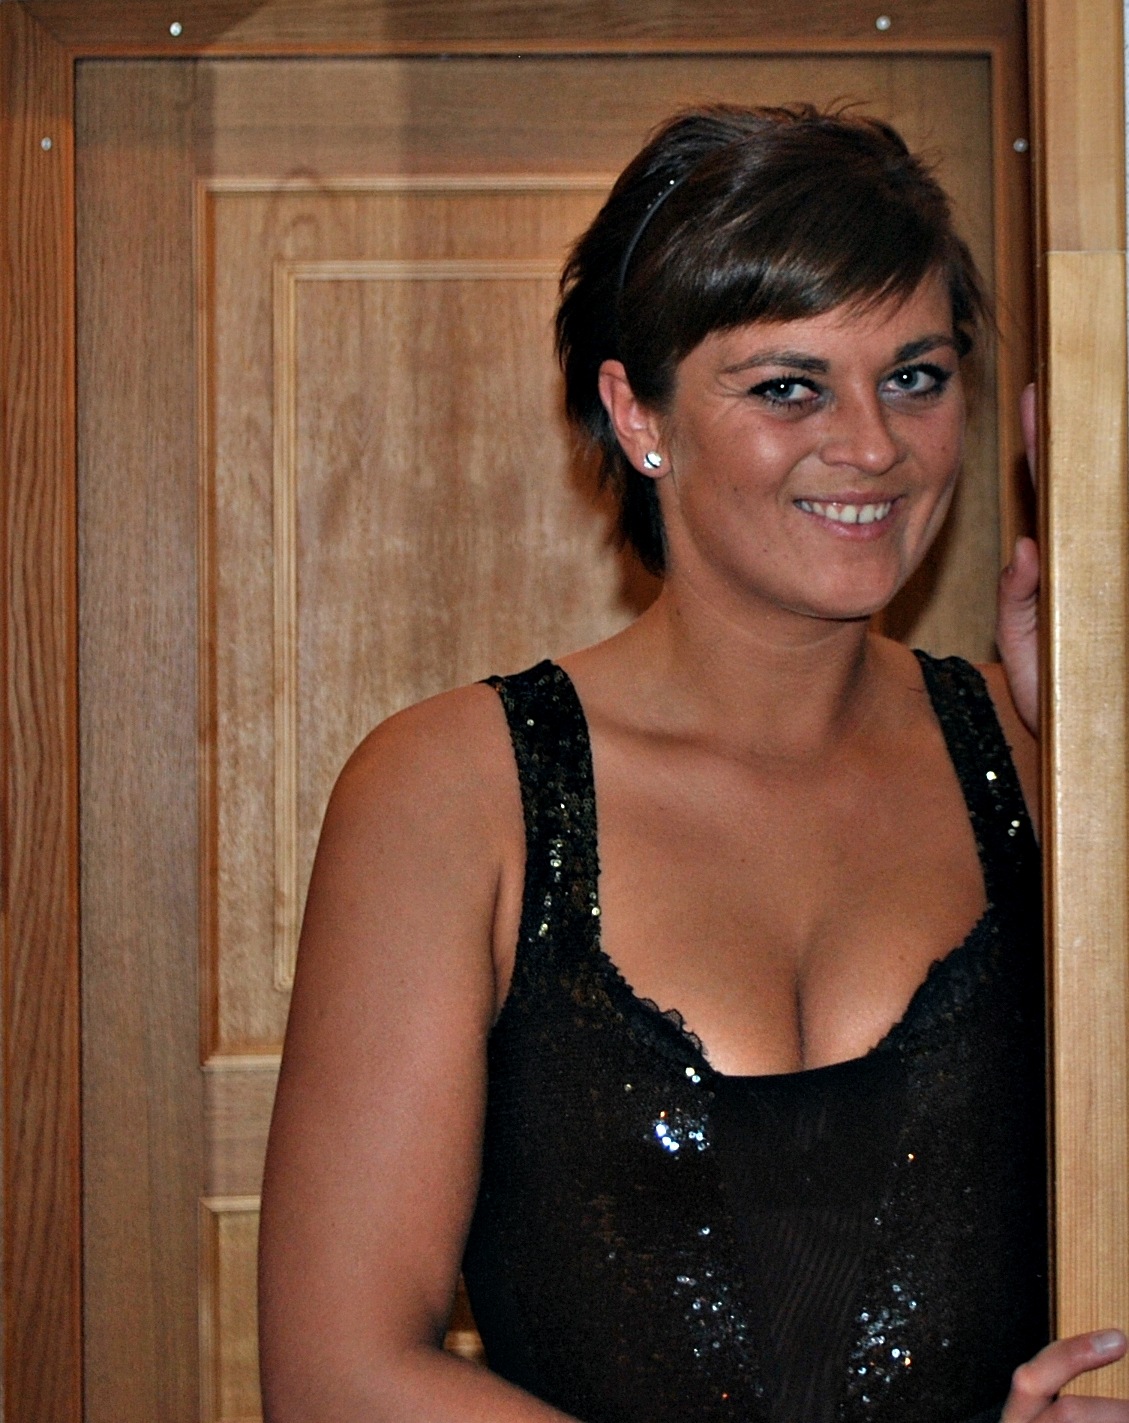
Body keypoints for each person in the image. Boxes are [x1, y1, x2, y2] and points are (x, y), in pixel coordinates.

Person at [257, 105, 1127, 1423]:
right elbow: (339, 1377)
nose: (873, 445)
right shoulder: (455, 792)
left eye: (914, 376)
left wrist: (1104, 747)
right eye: (787, 386)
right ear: (638, 413)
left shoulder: (1034, 755)